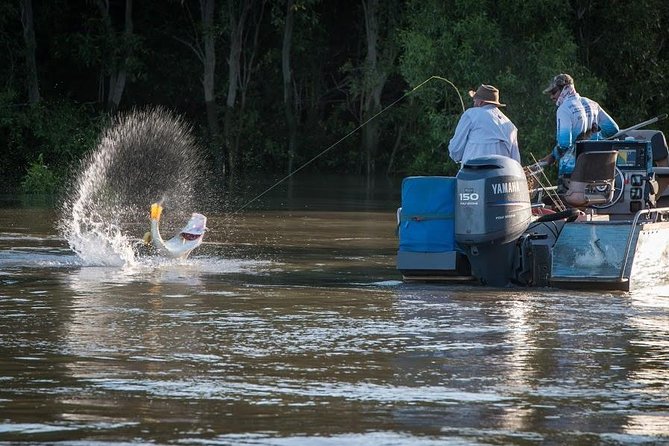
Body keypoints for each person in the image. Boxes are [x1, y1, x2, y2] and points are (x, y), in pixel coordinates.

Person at [538, 74, 619, 176]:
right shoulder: (593, 104)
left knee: (568, 192)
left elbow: (564, 144)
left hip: (572, 171)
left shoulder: (563, 109)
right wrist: (594, 138)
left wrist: (553, 156)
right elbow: (613, 128)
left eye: (554, 92)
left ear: (565, 89)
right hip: (596, 167)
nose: (552, 97)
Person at [448, 84, 521, 166]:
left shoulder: (471, 114)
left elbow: (455, 151)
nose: (474, 103)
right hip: (504, 176)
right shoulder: (510, 125)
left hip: (473, 174)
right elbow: (516, 163)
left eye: (474, 100)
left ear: (480, 102)